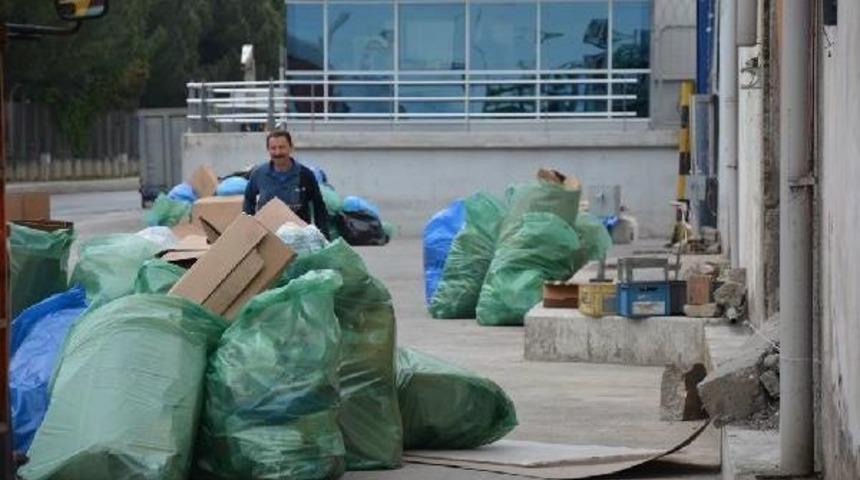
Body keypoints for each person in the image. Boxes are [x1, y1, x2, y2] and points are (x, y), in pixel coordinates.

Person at [243, 130, 330, 238]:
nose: (278, 152)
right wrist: (249, 229)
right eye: (273, 148)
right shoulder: (259, 174)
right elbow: (248, 200)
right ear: (268, 150)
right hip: (268, 237)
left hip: (299, 239)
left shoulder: (305, 174)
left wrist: (324, 236)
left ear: (291, 147)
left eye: (282, 147)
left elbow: (319, 207)